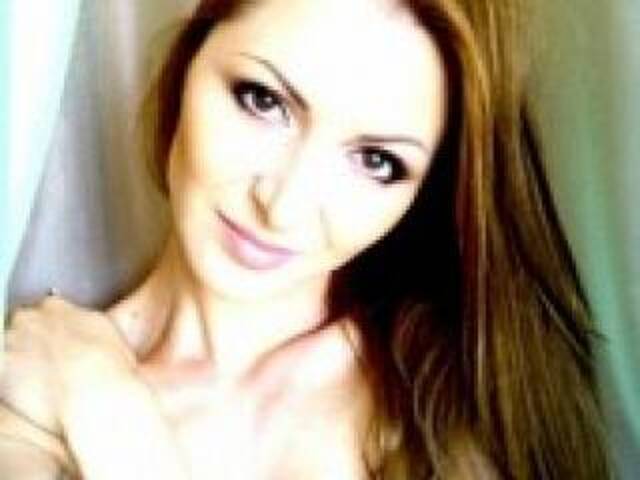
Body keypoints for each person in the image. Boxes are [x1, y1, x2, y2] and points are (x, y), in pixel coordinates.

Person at [0, 0, 611, 478]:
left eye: (376, 162)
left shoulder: (450, 410)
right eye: (262, 100)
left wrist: (109, 415)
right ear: (190, 58)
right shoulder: (31, 385)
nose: (283, 206)